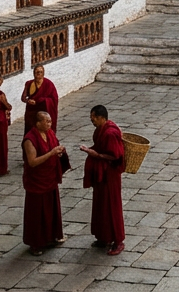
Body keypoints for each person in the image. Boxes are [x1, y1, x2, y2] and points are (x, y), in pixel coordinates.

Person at [79, 105, 126, 255]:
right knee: (100, 206)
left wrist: (95, 155)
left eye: (93, 117)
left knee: (111, 206)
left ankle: (118, 241)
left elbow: (115, 156)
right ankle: (104, 237)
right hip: (101, 175)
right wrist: (90, 150)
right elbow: (100, 147)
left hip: (110, 175)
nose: (91, 120)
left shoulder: (111, 133)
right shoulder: (101, 129)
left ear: (101, 117)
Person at [22, 111, 69, 255]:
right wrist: (51, 153)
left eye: (50, 121)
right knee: (37, 213)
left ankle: (51, 236)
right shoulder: (30, 139)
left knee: (51, 210)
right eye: (46, 121)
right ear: (37, 123)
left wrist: (59, 152)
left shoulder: (50, 134)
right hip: (37, 181)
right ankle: (35, 244)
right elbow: (32, 162)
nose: (50, 124)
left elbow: (54, 147)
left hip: (50, 178)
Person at [21, 65, 58, 134]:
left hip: (43, 111)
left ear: (43, 73)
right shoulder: (29, 83)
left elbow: (54, 99)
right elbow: (23, 97)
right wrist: (28, 101)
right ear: (33, 73)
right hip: (31, 111)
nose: (38, 74)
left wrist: (42, 100)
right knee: (31, 132)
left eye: (40, 72)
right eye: (36, 72)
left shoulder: (48, 84)